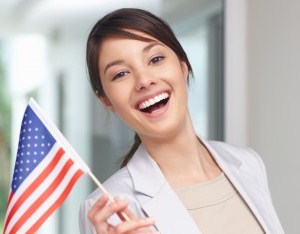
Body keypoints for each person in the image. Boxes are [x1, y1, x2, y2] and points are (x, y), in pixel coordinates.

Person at [79, 8, 284, 234]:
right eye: (121, 74)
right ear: (106, 101)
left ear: (183, 66)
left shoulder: (248, 164)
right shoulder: (111, 211)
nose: (144, 80)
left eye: (155, 59)